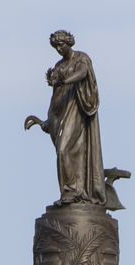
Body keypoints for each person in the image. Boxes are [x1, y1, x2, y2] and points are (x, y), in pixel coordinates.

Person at [23, 30, 104, 205]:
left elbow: (82, 73)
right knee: (64, 152)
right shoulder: (59, 66)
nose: (59, 49)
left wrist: (65, 81)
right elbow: (56, 98)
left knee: (64, 150)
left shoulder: (81, 59)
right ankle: (71, 191)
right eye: (56, 46)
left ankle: (72, 191)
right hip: (60, 115)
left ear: (69, 42)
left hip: (77, 112)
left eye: (61, 45)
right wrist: (45, 121)